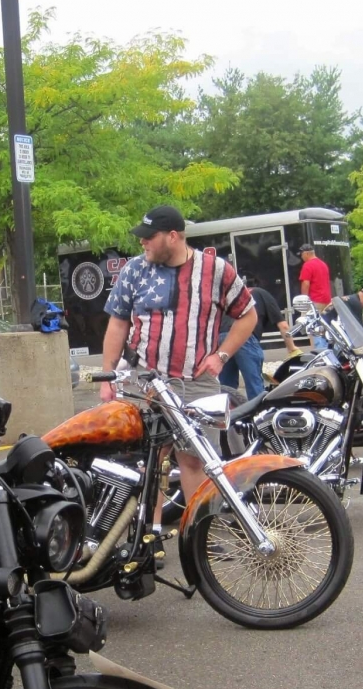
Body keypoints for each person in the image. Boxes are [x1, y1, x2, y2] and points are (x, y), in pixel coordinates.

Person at [100, 206, 256, 501]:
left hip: (196, 383)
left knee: (196, 460)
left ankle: (198, 535)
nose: (142, 242)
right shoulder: (135, 269)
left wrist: (221, 356)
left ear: (173, 236)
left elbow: (248, 315)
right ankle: (149, 536)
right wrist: (108, 378)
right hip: (142, 382)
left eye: (149, 237)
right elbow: (118, 324)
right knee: (149, 462)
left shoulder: (216, 270)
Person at [219, 286, 298, 401]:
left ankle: (228, 414)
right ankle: (258, 415)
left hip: (222, 337)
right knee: (254, 384)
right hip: (244, 336)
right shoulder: (263, 294)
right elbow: (283, 326)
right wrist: (292, 348)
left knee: (226, 387)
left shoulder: (234, 295)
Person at [298, 243, 332, 350]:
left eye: (302, 254)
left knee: (312, 328)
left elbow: (306, 283)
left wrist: (304, 300)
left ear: (307, 253)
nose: (301, 257)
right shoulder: (323, 264)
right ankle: (327, 350)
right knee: (323, 328)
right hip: (326, 300)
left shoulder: (308, 265)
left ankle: (319, 352)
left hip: (315, 301)